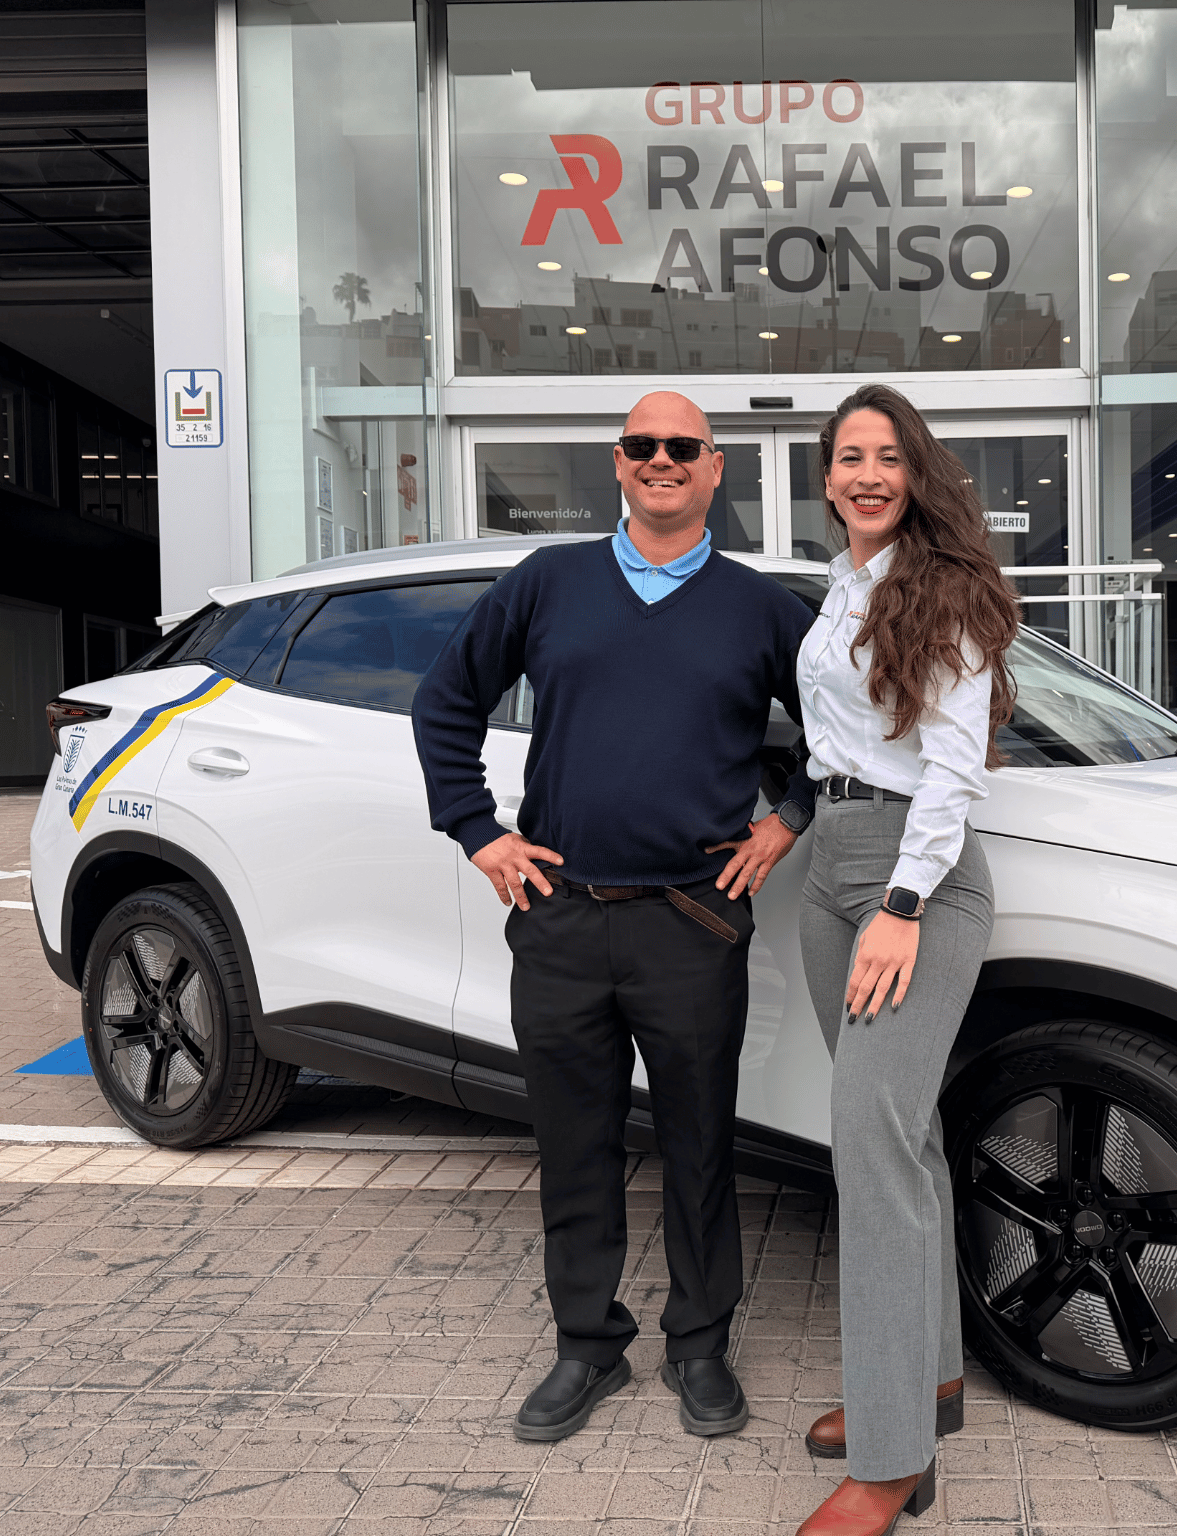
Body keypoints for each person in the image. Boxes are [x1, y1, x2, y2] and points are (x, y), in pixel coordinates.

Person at [411, 390, 817, 1444]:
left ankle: (699, 1344)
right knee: (574, 1144)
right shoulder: (547, 583)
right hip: (560, 916)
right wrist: (478, 831)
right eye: (643, 445)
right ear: (619, 461)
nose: (661, 459)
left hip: (691, 922)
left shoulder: (762, 609)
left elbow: (844, 730)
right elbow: (444, 701)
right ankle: (587, 1344)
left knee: (700, 1145)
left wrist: (786, 822)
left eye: (682, 446)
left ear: (714, 467)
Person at [790, 384, 1019, 1536]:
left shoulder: (946, 591)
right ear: (826, 478)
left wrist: (900, 902)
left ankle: (889, 1464)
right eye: (848, 457)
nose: (867, 474)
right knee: (903, 1141)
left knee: (869, 1150)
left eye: (886, 456)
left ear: (913, 472)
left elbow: (952, 768)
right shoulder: (840, 589)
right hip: (828, 862)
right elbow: (834, 737)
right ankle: (923, 1388)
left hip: (908, 880)